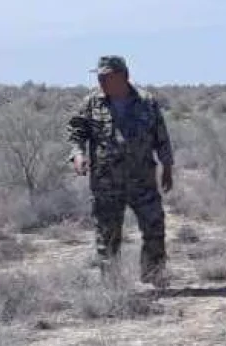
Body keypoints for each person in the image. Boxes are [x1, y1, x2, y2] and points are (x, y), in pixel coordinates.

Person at [65, 55, 174, 287]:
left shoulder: (147, 102)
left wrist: (167, 167)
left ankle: (153, 279)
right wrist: (78, 153)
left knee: (155, 228)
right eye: (99, 77)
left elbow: (161, 137)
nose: (101, 81)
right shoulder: (91, 103)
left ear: (123, 76)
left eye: (106, 77)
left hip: (142, 180)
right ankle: (112, 287)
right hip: (106, 183)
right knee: (107, 237)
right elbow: (76, 132)